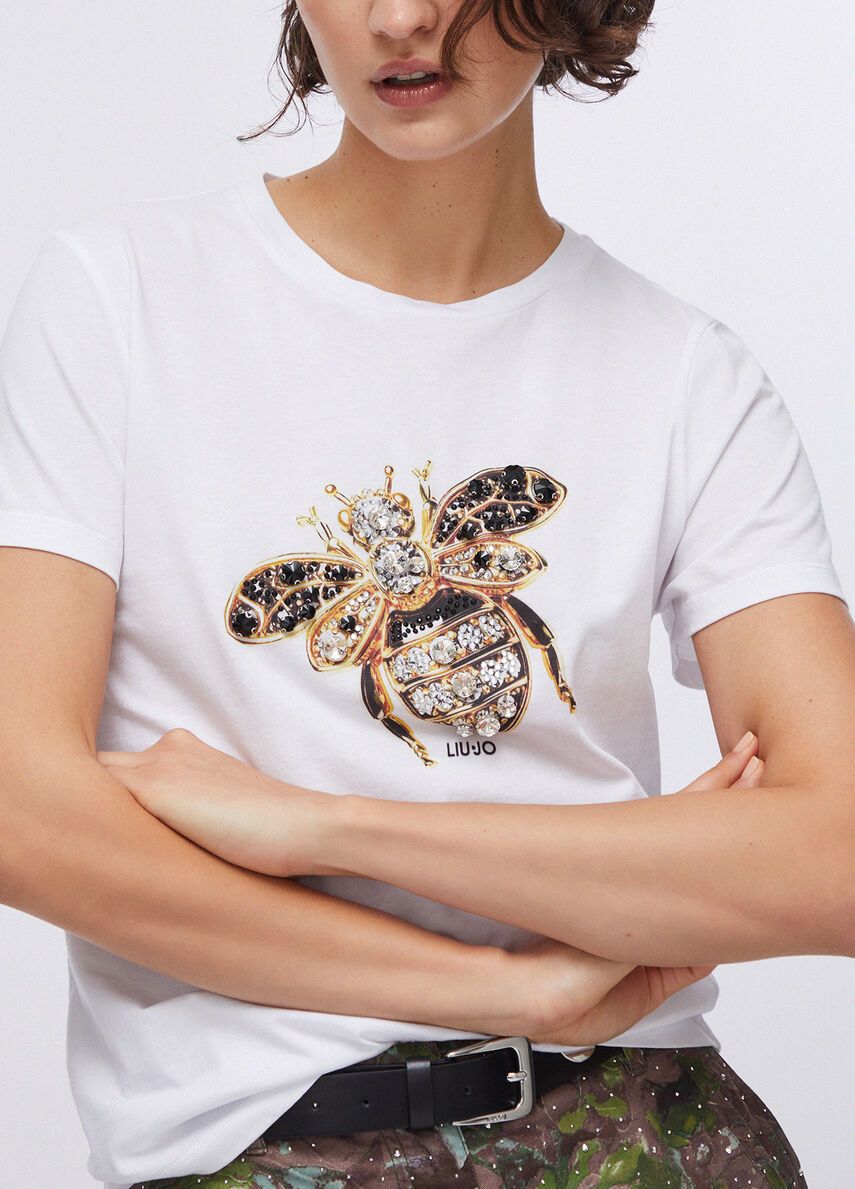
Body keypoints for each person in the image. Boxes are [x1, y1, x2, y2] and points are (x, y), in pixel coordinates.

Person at [1, 1, 852, 1186]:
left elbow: (835, 854)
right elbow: (23, 810)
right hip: (275, 1140)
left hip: (648, 1121)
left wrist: (328, 825)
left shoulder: (686, 377)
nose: (400, 18)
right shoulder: (120, 296)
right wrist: (506, 988)